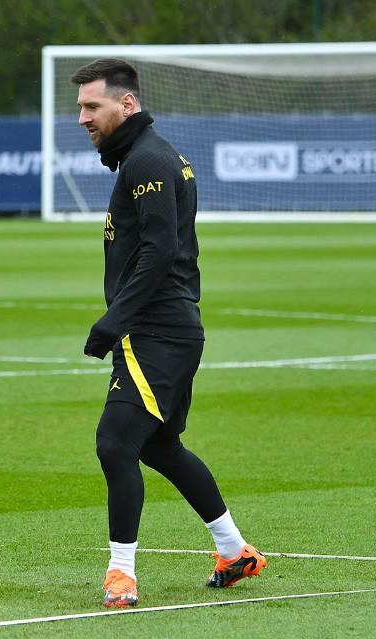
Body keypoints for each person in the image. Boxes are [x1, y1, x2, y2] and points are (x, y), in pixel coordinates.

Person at [71, 58, 266, 608]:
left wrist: (113, 321)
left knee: (114, 443)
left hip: (156, 330)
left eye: (92, 106)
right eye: (80, 107)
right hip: (166, 328)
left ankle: (121, 574)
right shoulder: (147, 156)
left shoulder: (148, 161)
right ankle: (234, 550)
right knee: (157, 445)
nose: (83, 117)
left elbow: (158, 252)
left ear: (125, 104)